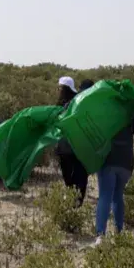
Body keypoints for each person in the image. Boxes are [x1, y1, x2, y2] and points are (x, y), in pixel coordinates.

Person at [93, 106, 134, 246]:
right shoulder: (131, 114)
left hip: (108, 160)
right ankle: (119, 233)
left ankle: (100, 235)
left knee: (105, 195)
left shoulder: (104, 112)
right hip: (126, 162)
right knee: (118, 196)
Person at [55, 76, 89, 206]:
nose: (58, 90)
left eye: (60, 87)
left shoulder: (66, 104)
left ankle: (73, 204)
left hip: (67, 147)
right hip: (74, 147)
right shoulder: (78, 100)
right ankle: (74, 204)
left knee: (71, 178)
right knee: (77, 177)